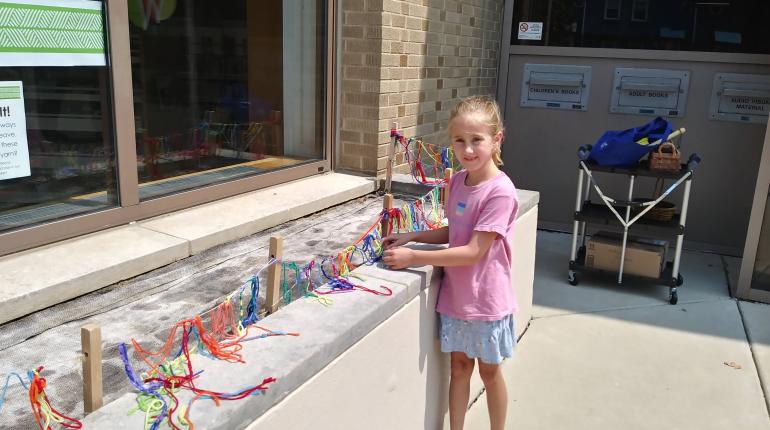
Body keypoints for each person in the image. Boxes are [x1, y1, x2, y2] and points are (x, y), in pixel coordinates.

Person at [382, 95, 519, 430]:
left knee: (489, 372)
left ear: (496, 139)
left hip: (487, 302)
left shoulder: (501, 192)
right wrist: (412, 236)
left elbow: (474, 250)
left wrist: (414, 257)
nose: (468, 150)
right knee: (459, 368)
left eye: (477, 140)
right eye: (460, 141)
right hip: (457, 299)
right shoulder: (457, 181)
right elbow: (455, 232)